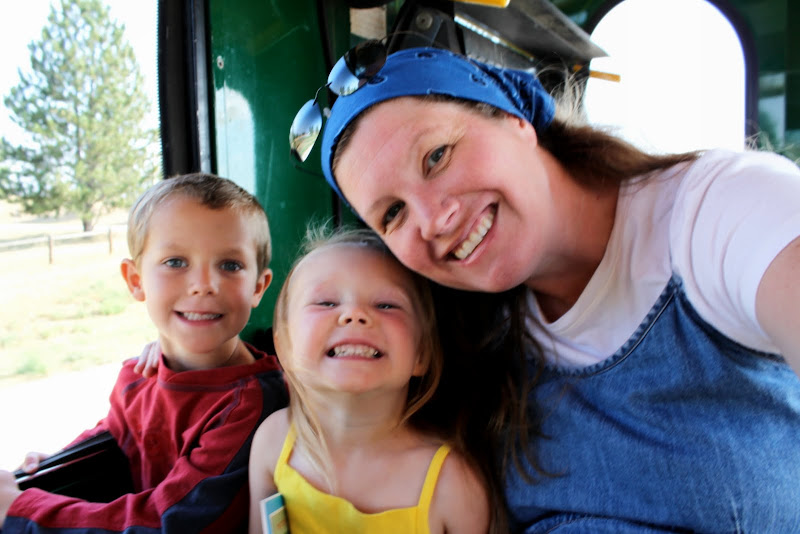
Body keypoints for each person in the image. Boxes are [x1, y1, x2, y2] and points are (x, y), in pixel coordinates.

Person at [303, 45, 800, 532]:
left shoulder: (720, 212)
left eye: (437, 156)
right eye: (393, 212)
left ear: (513, 119)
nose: (434, 220)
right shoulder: (461, 334)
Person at [0, 173, 288, 533]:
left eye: (230, 265)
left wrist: (23, 511)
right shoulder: (138, 377)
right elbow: (119, 435)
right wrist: (57, 465)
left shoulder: (251, 406)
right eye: (176, 262)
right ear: (136, 281)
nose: (204, 285)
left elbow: (169, 522)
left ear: (258, 287)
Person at [247, 226, 490, 534]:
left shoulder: (453, 484)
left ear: (422, 353)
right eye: (326, 302)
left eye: (386, 305)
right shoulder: (273, 441)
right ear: (285, 346)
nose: (355, 314)